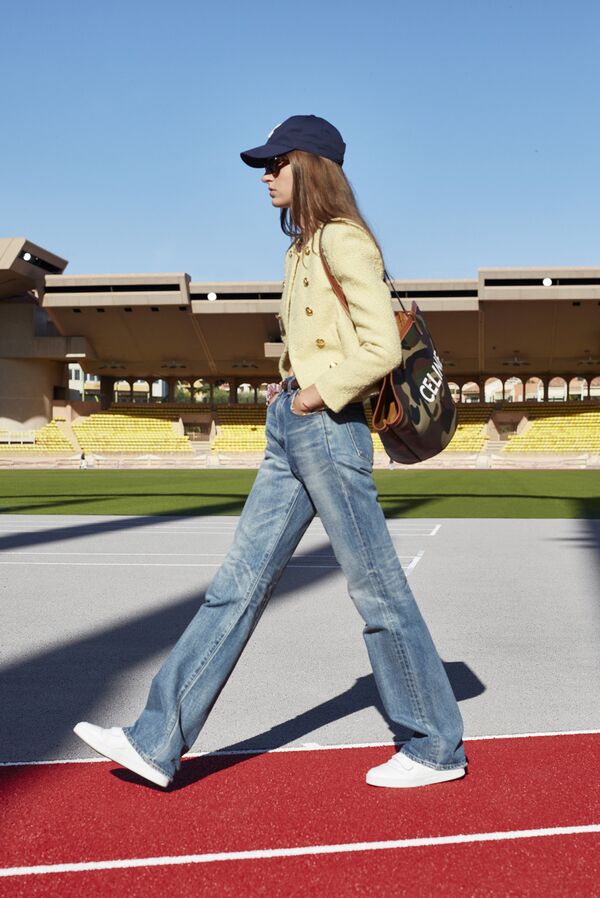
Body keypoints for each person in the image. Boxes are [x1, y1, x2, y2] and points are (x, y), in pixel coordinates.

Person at [74, 115, 467, 790]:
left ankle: (435, 747)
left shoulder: (344, 240)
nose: (265, 176)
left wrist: (312, 396)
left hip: (330, 426)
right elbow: (323, 342)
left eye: (275, 164)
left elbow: (381, 348)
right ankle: (156, 741)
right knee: (236, 585)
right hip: (294, 427)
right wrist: (287, 390)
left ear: (309, 167)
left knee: (376, 588)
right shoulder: (302, 248)